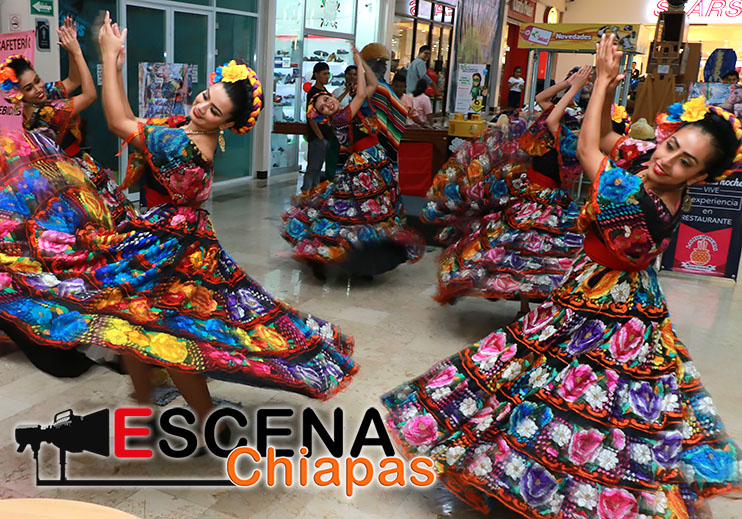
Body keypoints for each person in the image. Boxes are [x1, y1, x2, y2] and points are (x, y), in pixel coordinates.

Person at [382, 33, 742, 518]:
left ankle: (576, 487)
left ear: (699, 177)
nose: (666, 160)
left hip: (613, 302)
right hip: (597, 284)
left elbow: (591, 149)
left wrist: (604, 81)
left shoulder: (641, 199)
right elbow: (612, 138)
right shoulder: (652, 165)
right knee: (552, 376)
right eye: (671, 145)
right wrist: (604, 91)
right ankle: (536, 468)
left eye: (685, 162)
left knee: (589, 391)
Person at [0, 13, 358, 449]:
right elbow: (131, 119)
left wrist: (108, 56)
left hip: (171, 248)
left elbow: (117, 124)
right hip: (165, 237)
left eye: (214, 110)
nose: (202, 107)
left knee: (170, 331)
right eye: (206, 96)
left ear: (227, 124)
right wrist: (116, 68)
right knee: (132, 317)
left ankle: (205, 419)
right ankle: (146, 398)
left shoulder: (185, 146)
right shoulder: (185, 129)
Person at [432, 67, 592, 314]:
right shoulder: (562, 125)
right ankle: (523, 305)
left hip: (548, 198)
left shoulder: (574, 140)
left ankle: (528, 304)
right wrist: (568, 83)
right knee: (514, 243)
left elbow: (552, 120)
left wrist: (576, 88)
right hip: (530, 191)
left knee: (536, 249)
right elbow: (540, 99)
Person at [282, 46, 424, 278]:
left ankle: (365, 260)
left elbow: (371, 85)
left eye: (326, 100)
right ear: (325, 115)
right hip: (363, 165)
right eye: (323, 108)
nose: (328, 105)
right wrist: (358, 63)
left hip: (376, 160)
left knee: (367, 212)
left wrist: (363, 65)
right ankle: (347, 257)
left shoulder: (348, 110)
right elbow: (361, 95)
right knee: (361, 213)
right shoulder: (340, 117)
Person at [2, 16, 96, 158]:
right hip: (70, 165)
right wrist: (77, 52)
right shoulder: (48, 114)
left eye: (37, 80)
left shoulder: (37, 100)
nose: (38, 88)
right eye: (29, 88)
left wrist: (70, 49)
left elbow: (74, 80)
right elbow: (90, 95)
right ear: (18, 95)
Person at [304, 62, 333, 192]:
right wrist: (319, 136)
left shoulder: (324, 91)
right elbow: (311, 116)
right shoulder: (313, 93)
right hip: (317, 136)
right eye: (324, 74)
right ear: (316, 75)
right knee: (313, 168)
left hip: (324, 134)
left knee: (317, 168)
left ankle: (314, 195)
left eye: (328, 74)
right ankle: (306, 194)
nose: (327, 76)